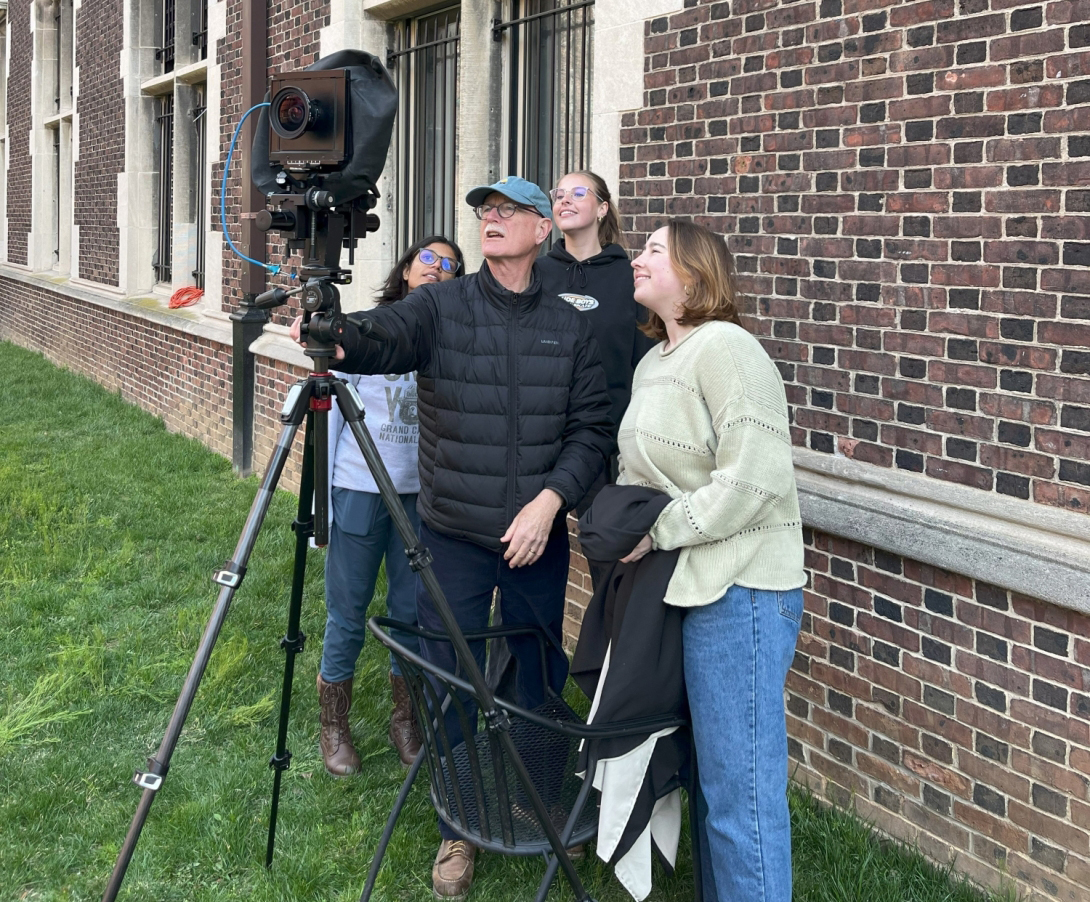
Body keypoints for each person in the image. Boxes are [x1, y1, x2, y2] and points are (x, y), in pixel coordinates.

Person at [333, 176, 614, 899]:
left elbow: (591, 432)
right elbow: (380, 339)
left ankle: (532, 796)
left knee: (537, 672)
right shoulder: (439, 305)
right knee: (451, 673)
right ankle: (457, 823)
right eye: (485, 211)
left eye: (508, 211)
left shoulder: (571, 322)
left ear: (540, 232)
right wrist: (335, 332)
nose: (491, 220)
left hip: (536, 538)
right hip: (453, 534)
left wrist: (550, 504)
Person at [616, 219, 806, 902]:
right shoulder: (654, 361)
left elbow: (754, 479)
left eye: (653, 251)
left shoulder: (729, 348)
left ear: (694, 275)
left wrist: (658, 530)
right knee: (708, 780)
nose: (636, 259)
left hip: (743, 590)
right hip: (681, 585)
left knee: (741, 793)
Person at [292, 236, 464, 776]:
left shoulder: (452, 337)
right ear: (408, 269)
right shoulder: (368, 329)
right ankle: (333, 725)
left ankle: (405, 717)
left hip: (421, 496)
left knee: (412, 611)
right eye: (428, 259)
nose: (438, 269)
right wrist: (323, 503)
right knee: (348, 611)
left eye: (451, 265)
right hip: (360, 488)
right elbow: (330, 415)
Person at [537, 171, 654, 503]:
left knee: (607, 549)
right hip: (539, 439)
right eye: (559, 194)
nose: (564, 200)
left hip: (606, 443)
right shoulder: (535, 274)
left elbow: (644, 363)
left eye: (577, 193)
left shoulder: (631, 279)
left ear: (602, 208)